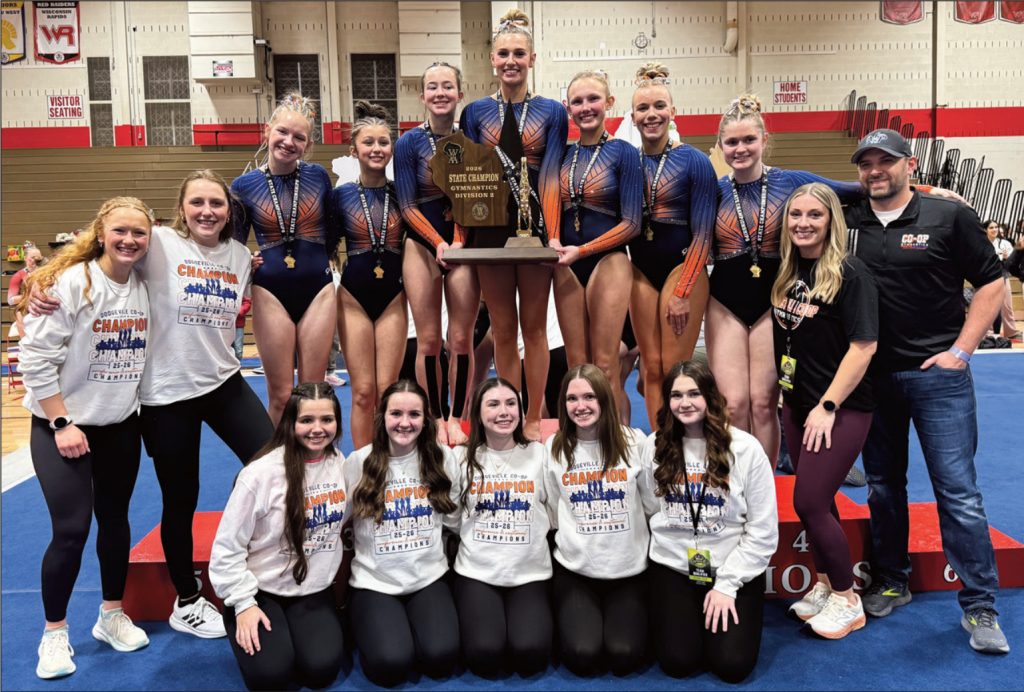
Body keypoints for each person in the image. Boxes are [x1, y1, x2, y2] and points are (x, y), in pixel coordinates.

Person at [26, 171, 275, 639]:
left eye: (216, 203)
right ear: (181, 209)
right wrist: (40, 285)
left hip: (222, 381)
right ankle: (187, 598)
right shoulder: (157, 243)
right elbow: (102, 246)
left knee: (274, 461)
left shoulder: (241, 257)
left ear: (229, 211)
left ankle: (270, 566)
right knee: (182, 496)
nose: (207, 211)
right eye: (197, 202)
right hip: (165, 394)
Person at [845, 128, 1009, 654]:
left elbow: (990, 281)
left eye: (886, 161)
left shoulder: (948, 216)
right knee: (882, 486)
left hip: (938, 376)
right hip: (873, 378)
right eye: (867, 163)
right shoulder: (849, 222)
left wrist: (962, 351)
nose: (876, 171)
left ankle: (981, 604)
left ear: (910, 165)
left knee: (958, 493)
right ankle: (892, 579)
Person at [18, 197, 153, 679]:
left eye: (139, 232)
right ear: (101, 233)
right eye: (120, 231)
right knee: (72, 530)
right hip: (61, 428)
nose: (129, 240)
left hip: (119, 425)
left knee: (115, 522)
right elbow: (33, 357)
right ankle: (54, 633)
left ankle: (111, 615)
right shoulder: (71, 284)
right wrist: (61, 423)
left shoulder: (142, 285)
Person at [707, 95, 864, 466]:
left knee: (763, 404)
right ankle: (735, 481)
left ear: (764, 140)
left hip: (774, 300)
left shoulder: (791, 181)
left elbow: (855, 191)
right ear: (721, 147)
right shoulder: (712, 190)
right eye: (732, 142)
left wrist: (925, 191)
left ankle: (764, 487)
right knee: (733, 403)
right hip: (724, 301)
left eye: (748, 140)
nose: (740, 149)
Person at [771, 183, 878, 639]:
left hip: (840, 407)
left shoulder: (850, 274)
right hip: (797, 403)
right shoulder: (790, 272)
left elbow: (863, 346)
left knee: (809, 500)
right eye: (796, 215)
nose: (803, 223)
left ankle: (847, 598)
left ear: (832, 220)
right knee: (824, 501)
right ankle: (822, 582)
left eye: (814, 215)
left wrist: (828, 405)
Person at [459, 7, 568, 441]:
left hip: (535, 230)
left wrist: (553, 233)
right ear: (491, 59)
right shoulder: (475, 113)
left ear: (532, 59)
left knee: (536, 328)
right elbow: (468, 182)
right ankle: (509, 413)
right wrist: (461, 239)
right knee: (503, 329)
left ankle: (534, 418)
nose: (511, 61)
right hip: (489, 232)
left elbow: (552, 174)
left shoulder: (551, 112)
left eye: (519, 53)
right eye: (503, 53)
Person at [640, 360, 777, 683]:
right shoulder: (654, 447)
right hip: (673, 566)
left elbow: (763, 530)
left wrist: (728, 584)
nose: (684, 403)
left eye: (694, 393)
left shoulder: (745, 449)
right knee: (678, 662)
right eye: (676, 395)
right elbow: (649, 509)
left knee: (732, 665)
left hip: (732, 568)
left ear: (711, 397)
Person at [210, 382, 347, 691]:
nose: (317, 429)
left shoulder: (340, 466)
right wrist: (243, 604)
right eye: (307, 420)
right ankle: (237, 617)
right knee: (271, 675)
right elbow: (226, 549)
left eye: (327, 420)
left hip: (311, 592)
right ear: (290, 423)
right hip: (261, 590)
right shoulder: (259, 475)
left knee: (321, 670)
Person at [344, 380, 461, 687]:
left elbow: (456, 517)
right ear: (382, 417)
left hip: (428, 578)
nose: (405, 423)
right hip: (375, 582)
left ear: (426, 419)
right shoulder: (358, 463)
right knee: (390, 665)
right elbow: (334, 523)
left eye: (414, 415)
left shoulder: (442, 458)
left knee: (441, 658)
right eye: (396, 413)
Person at [232, 93, 338, 424]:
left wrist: (325, 257)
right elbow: (234, 243)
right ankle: (278, 467)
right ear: (267, 131)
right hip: (270, 291)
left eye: (299, 137)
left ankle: (314, 466)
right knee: (279, 395)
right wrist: (246, 261)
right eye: (282, 132)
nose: (288, 142)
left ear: (308, 145)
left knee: (313, 391)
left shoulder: (318, 176)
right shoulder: (244, 184)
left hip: (317, 291)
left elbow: (332, 228)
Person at [627, 63, 718, 428]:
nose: (652, 115)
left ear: (673, 112)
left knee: (675, 369)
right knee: (650, 366)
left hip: (684, 268)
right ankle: (658, 444)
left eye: (659, 106)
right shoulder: (627, 161)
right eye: (643, 109)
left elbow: (704, 234)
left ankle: (683, 440)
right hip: (641, 270)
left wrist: (683, 290)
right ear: (632, 116)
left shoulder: (694, 161)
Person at [544, 364, 650, 676]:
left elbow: (650, 503)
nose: (581, 406)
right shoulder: (554, 448)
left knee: (625, 655)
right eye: (572, 399)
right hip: (577, 571)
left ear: (604, 398)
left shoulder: (635, 442)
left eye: (589, 397)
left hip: (628, 570)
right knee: (582, 655)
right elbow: (552, 510)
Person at [395, 61, 479, 446]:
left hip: (462, 246)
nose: (440, 93)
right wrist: (438, 242)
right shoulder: (408, 143)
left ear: (460, 93)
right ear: (422, 96)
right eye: (433, 87)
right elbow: (408, 205)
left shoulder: (473, 140)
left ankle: (458, 418)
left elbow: (472, 196)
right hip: (422, 244)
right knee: (427, 340)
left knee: (460, 339)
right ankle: (433, 417)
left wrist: (458, 241)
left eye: (448, 86)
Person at [551, 68, 642, 414]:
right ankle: (580, 451)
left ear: (609, 103)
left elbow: (632, 223)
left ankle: (618, 448)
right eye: (577, 101)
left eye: (593, 99)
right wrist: (557, 241)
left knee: (605, 367)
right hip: (566, 266)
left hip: (609, 261)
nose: (586, 107)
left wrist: (583, 250)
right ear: (568, 107)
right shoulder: (560, 154)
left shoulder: (623, 153)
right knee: (578, 370)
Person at [453, 377, 553, 677]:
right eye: (493, 404)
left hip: (529, 572)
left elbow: (554, 509)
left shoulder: (540, 454)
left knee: (531, 654)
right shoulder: (460, 458)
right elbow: (451, 516)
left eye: (511, 404)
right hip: (477, 572)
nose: (504, 412)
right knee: (484, 655)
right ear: (478, 413)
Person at [332, 101, 408, 449]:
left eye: (383, 142)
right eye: (368, 142)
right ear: (354, 150)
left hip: (393, 297)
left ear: (392, 148)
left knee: (386, 390)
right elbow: (319, 245)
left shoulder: (403, 194)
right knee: (362, 392)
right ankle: (363, 464)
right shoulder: (340, 196)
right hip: (353, 299)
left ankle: (391, 460)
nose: (376, 149)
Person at [985, 220, 1020, 339]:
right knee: (988, 307)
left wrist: (1006, 257)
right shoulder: (981, 243)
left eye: (996, 227)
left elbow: (1011, 262)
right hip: (987, 278)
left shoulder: (1005, 243)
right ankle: (988, 333)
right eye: (991, 228)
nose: (994, 229)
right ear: (986, 230)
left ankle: (1011, 332)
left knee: (1007, 306)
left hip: (1003, 275)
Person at [8, 243, 45, 337]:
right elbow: (10, 300)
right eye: (32, 257)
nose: (35, 260)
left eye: (38, 258)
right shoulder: (18, 276)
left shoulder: (46, 273)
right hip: (25, 310)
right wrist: (29, 296)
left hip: (44, 309)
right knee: (19, 313)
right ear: (25, 258)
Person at [234, 295, 252, 361]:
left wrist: (239, 312)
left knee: (238, 351)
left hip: (238, 325)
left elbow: (247, 302)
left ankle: (237, 367)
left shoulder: (240, 288)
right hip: (223, 324)